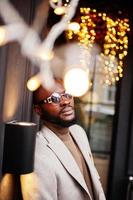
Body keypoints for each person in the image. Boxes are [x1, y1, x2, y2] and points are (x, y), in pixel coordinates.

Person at [33, 79, 106, 200]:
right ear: (38, 110)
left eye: (67, 94)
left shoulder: (79, 132)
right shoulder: (38, 154)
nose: (66, 101)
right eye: (54, 99)